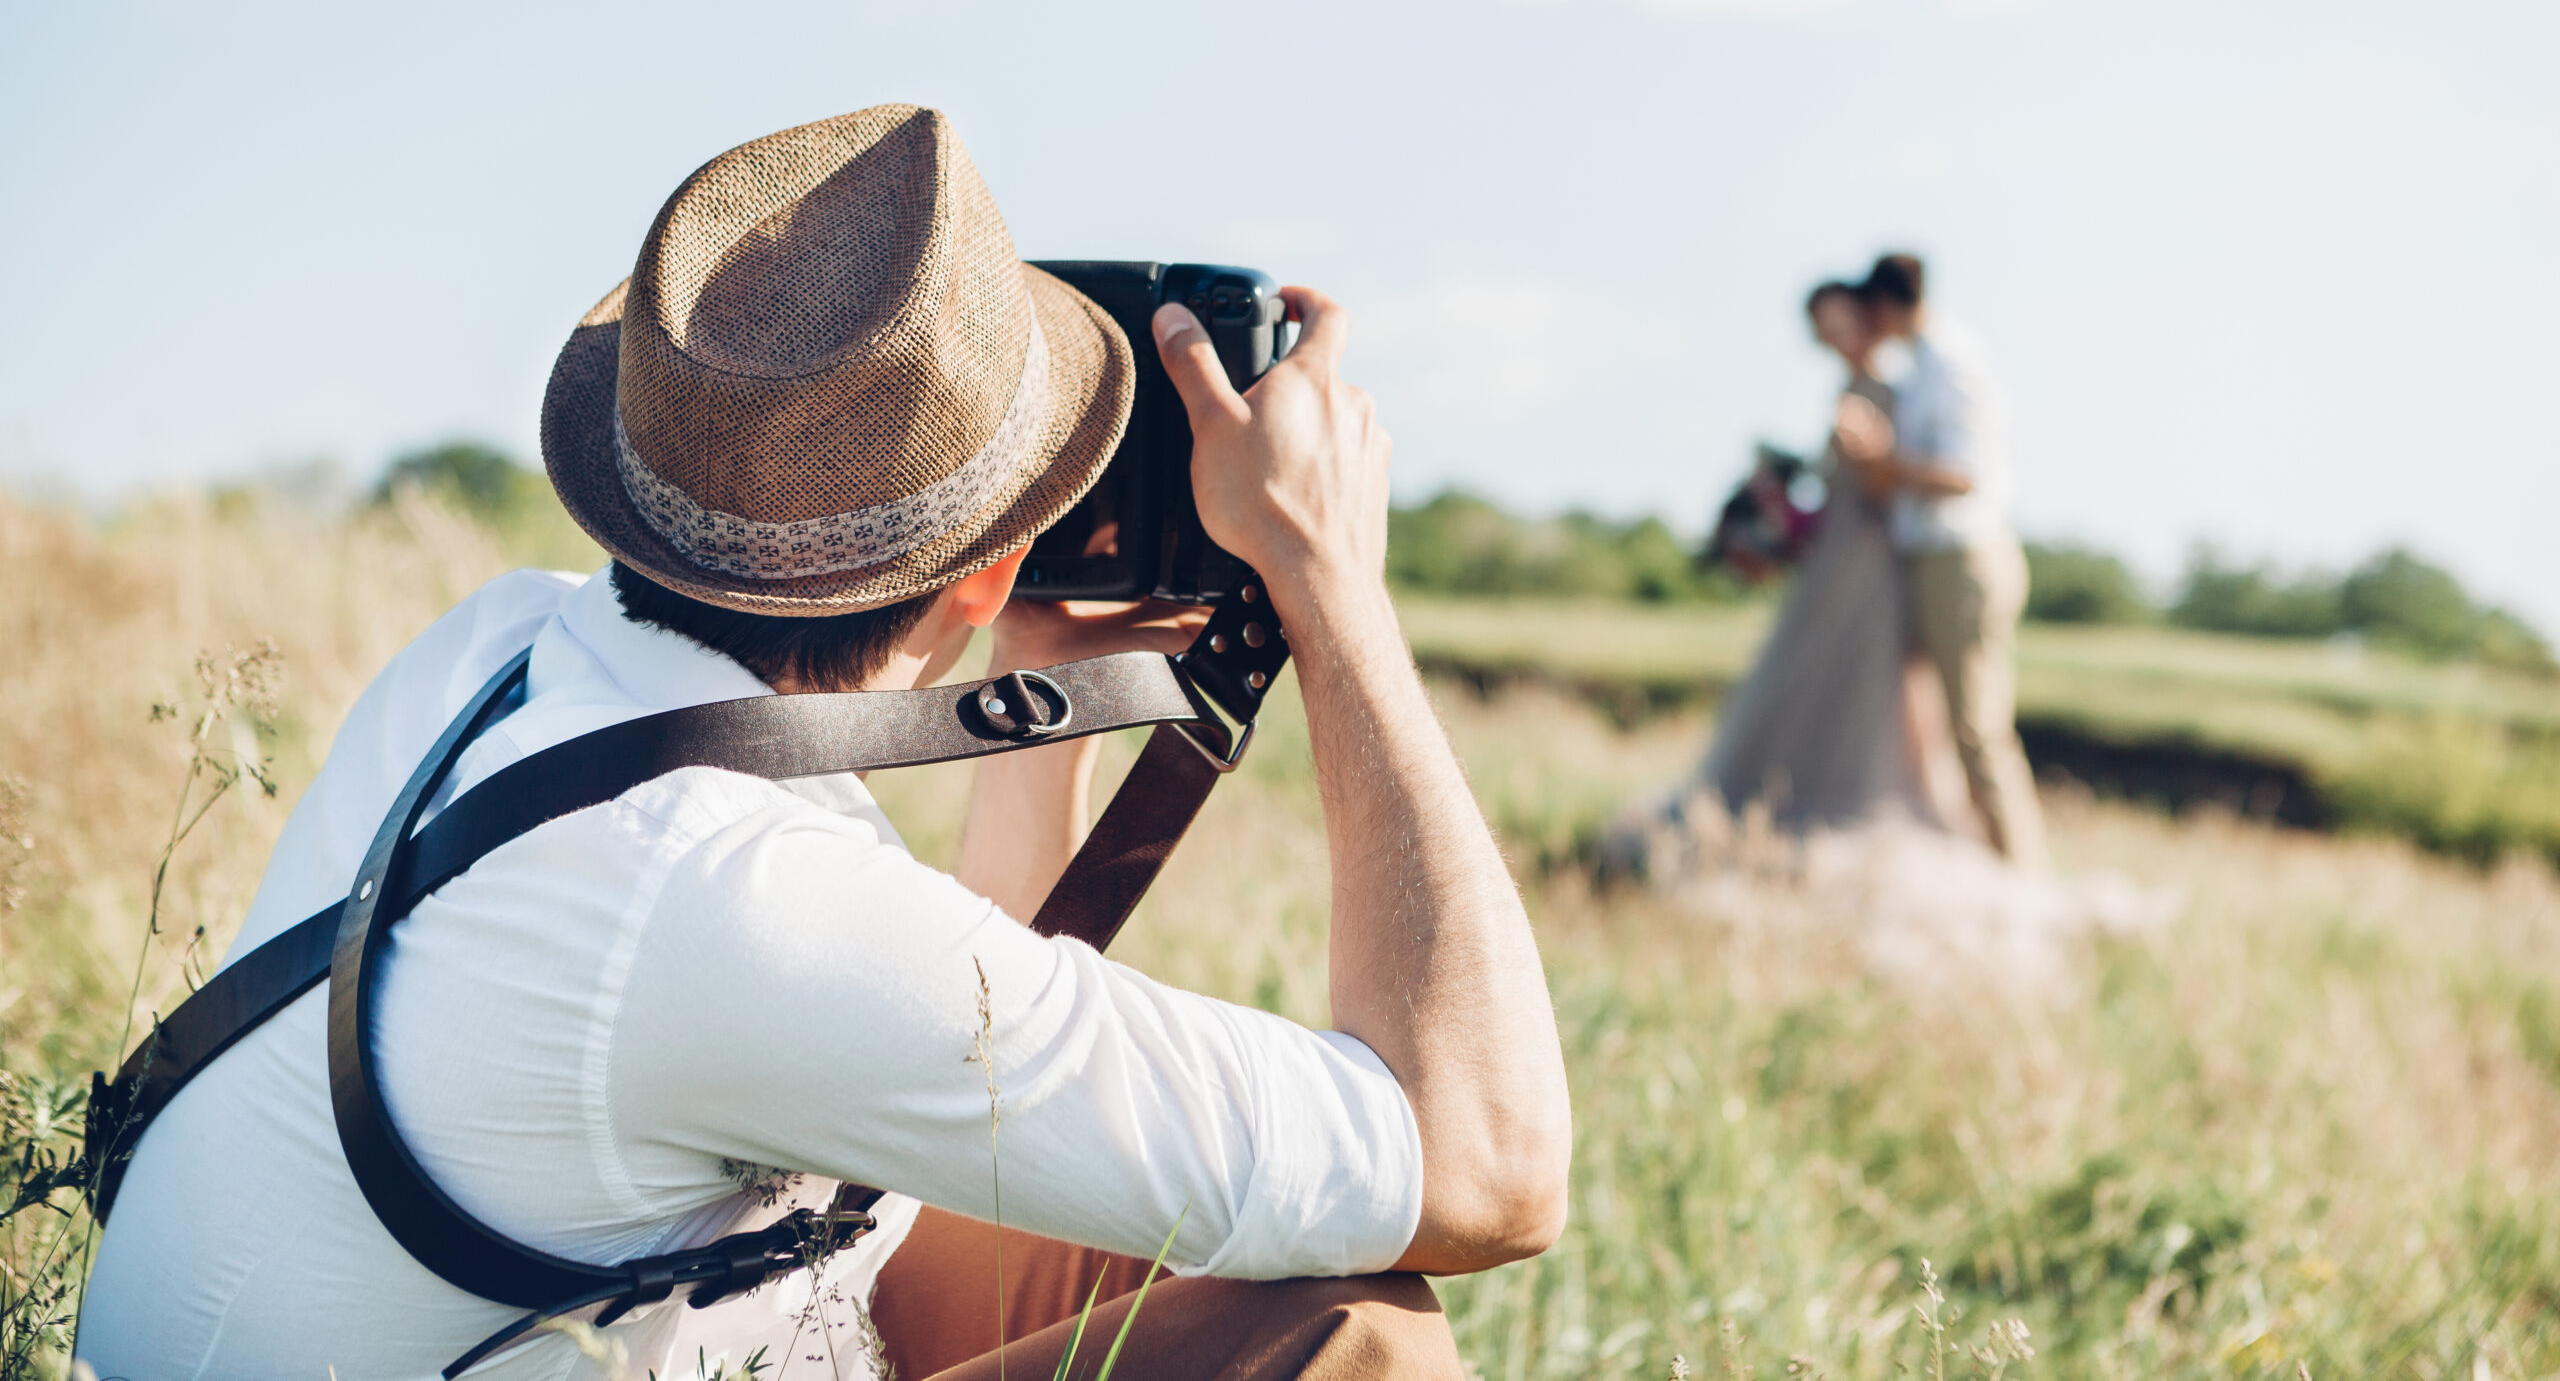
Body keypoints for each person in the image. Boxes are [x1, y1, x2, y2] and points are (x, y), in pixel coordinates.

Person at [77, 105, 1572, 1381]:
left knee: (1053, 1227)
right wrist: (1333, 591)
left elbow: (934, 1045)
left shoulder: (507, 644)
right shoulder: (729, 894)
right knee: (1354, 1332)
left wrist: (1036, 688)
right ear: (986, 560)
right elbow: (1490, 1169)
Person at [1688, 283, 1941, 837]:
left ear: (1867, 317)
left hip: (1869, 558)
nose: (1835, 338)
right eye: (1824, 329)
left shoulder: (1889, 389)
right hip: (1833, 551)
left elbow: (1883, 483)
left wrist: (1868, 460)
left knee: (1861, 680)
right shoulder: (1849, 385)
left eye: (1841, 323)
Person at [1834, 252, 2049, 868]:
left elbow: (1964, 476)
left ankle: (2025, 873)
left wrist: (1882, 463)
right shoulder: (1922, 364)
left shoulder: (1953, 364)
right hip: (1934, 559)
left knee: (1978, 730)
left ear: (1884, 306)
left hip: (1962, 560)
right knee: (1937, 729)